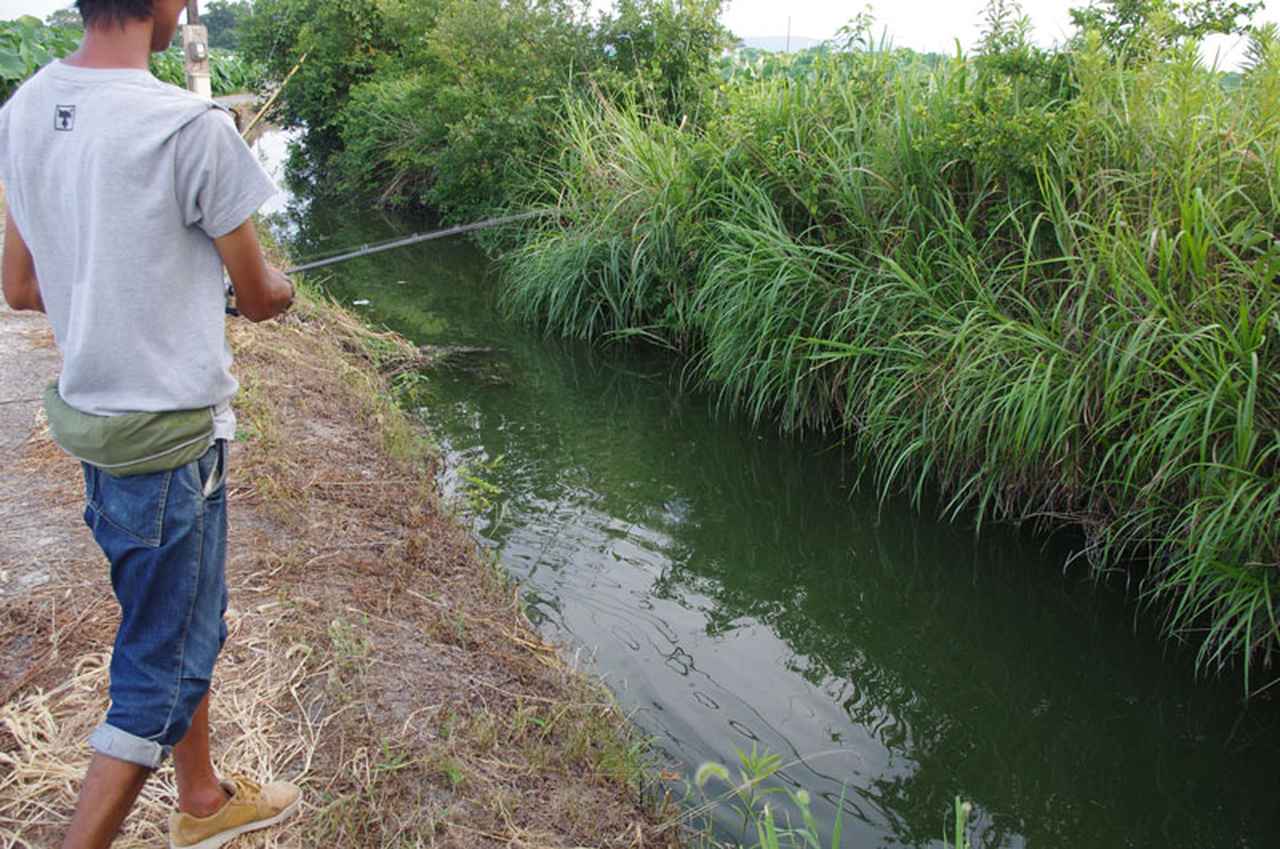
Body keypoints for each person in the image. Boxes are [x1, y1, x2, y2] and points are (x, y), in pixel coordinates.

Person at [0, 1, 300, 847]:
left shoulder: (21, 111)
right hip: (172, 447)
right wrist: (274, 289)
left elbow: (20, 287)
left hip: (95, 431)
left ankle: (201, 799)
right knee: (160, 676)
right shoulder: (190, 127)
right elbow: (264, 294)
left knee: (181, 619)